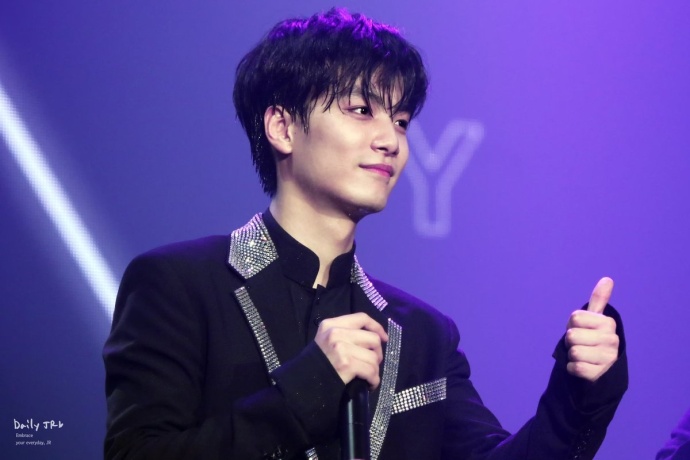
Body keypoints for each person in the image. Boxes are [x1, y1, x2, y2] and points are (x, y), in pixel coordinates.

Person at [103, 7, 628, 459]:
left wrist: (579, 392)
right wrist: (310, 386)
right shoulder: (180, 285)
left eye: (401, 120)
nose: (390, 141)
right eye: (362, 110)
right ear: (282, 127)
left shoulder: (423, 334)